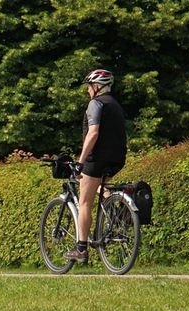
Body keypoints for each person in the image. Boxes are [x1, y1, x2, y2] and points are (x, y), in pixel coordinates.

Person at [65, 69, 127, 263]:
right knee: (100, 186)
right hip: (118, 158)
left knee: (84, 202)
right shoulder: (116, 105)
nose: (87, 90)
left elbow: (93, 133)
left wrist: (80, 162)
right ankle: (115, 210)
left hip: (96, 159)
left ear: (97, 86)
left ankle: (81, 248)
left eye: (89, 86)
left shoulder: (95, 103)